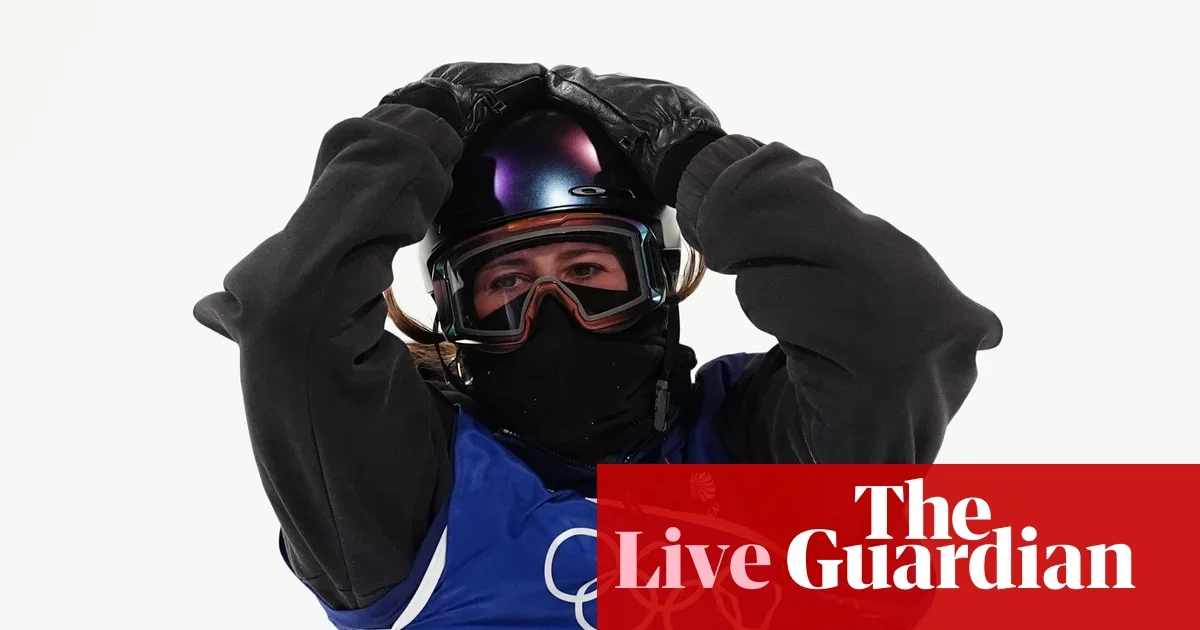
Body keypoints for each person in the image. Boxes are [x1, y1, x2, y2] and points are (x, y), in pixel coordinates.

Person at [193, 62, 1002, 629]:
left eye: (587, 268)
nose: (554, 310)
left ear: (658, 278)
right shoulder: (406, 504)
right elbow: (289, 322)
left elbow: (903, 331)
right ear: (452, 309)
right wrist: (418, 129)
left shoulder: (767, 450)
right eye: (508, 284)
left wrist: (699, 166)